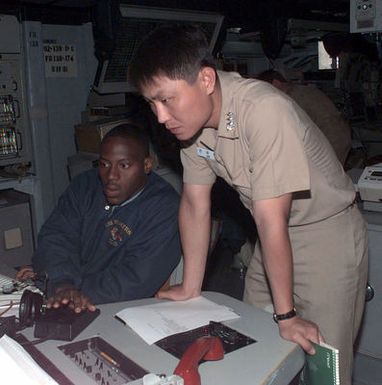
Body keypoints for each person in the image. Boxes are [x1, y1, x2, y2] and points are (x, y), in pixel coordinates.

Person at [128, 24, 368, 385]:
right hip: (271, 238)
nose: (160, 117)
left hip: (326, 236)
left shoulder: (263, 110)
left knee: (323, 365)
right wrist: (190, 285)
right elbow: (195, 202)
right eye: (152, 103)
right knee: (251, 347)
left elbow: (272, 218)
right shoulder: (191, 126)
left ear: (206, 80)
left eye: (166, 99)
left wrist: (286, 315)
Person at [17, 123, 181, 312]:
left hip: (117, 307)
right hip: (64, 292)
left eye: (124, 165)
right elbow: (56, 236)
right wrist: (60, 281)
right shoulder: (84, 186)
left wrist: (70, 291)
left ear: (146, 165)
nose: (111, 175)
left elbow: (137, 278)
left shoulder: (164, 207)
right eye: (104, 164)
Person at [256, 69, 352, 166]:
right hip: (339, 133)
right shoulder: (301, 90)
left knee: (323, 176)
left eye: (266, 88)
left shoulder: (291, 99)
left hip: (331, 138)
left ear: (276, 83)